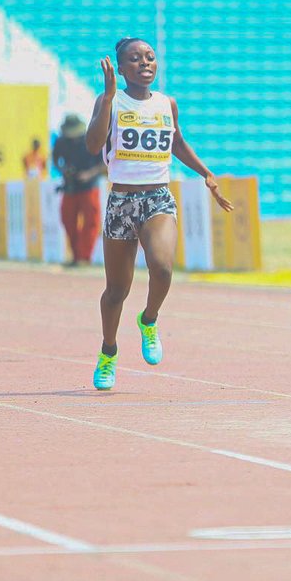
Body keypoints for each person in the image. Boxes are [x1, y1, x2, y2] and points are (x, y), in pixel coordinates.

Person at [85, 37, 233, 391]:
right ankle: (108, 353)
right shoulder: (111, 101)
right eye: (135, 59)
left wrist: (206, 173)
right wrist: (107, 98)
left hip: (157, 198)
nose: (145, 63)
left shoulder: (167, 103)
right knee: (116, 292)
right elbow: (93, 145)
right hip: (121, 201)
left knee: (163, 268)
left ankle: (149, 319)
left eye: (150, 57)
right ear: (121, 69)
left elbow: (177, 141)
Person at [51, 114, 105, 266]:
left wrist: (89, 174)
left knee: (91, 222)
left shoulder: (91, 139)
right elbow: (55, 159)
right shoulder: (61, 141)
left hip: (89, 187)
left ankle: (84, 257)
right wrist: (63, 170)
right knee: (68, 220)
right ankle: (76, 256)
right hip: (70, 186)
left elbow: (103, 163)